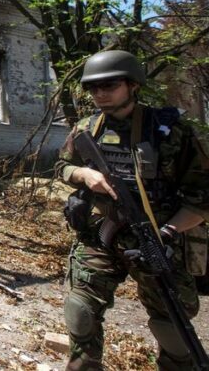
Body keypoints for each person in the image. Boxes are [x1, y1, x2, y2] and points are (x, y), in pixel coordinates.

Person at [56, 49, 209, 370]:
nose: (100, 94)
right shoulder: (87, 128)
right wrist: (85, 175)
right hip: (101, 235)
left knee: (173, 324)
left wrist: (166, 233)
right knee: (80, 310)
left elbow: (202, 197)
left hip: (158, 240)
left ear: (133, 85)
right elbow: (62, 168)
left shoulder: (170, 131)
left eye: (109, 86)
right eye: (93, 88)